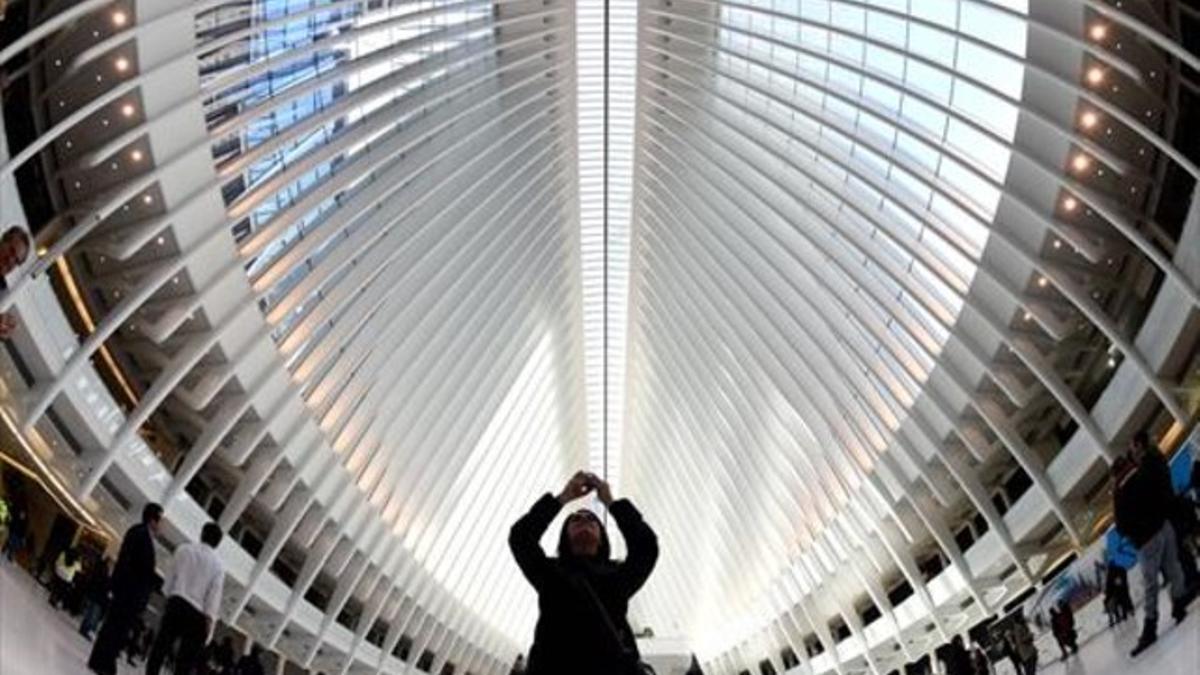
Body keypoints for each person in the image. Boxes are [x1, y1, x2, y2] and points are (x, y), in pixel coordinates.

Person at [509, 471, 659, 675]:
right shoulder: (550, 573)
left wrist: (612, 503)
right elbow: (521, 537)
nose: (584, 520)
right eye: (575, 519)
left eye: (592, 520)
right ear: (565, 537)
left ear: (601, 538)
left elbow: (646, 547)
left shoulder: (617, 576)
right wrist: (562, 498)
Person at [1113, 433, 1192, 656]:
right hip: (1163, 528)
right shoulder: (1143, 471)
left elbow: (1121, 525)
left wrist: (1135, 532)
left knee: (1150, 585)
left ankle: (1150, 628)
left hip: (1146, 541)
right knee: (1173, 567)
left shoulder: (1119, 490)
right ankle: (1178, 606)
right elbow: (1160, 493)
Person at [88, 502, 163, 675]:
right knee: (116, 628)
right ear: (153, 520)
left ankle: (101, 660)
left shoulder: (140, 533)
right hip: (128, 592)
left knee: (114, 627)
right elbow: (130, 563)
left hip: (127, 591)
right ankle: (104, 662)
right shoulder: (140, 534)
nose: (161, 525)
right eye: (160, 521)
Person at [147, 522, 226, 675]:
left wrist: (168, 596)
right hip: (197, 614)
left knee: (161, 647)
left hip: (177, 602)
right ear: (218, 543)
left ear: (202, 534)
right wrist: (209, 623)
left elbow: (171, 576)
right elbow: (213, 597)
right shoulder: (218, 566)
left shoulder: (184, 549)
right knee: (185, 661)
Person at [0, 225, 31, 339]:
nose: (10, 260)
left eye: (16, 261)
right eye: (11, 250)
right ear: (2, 240)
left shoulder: (3, 293)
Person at [80, 556, 113, 640]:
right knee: (93, 615)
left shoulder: (98, 569)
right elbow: (104, 585)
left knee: (89, 612)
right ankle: (87, 630)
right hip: (99, 597)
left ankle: (83, 628)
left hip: (93, 594)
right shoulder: (104, 573)